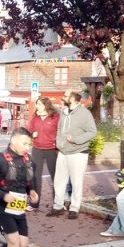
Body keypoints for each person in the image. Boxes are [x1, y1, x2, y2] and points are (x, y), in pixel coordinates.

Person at [47, 91, 97, 219]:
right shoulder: (64, 112)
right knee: (59, 181)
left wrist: (76, 140)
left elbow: (92, 132)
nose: (63, 97)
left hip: (78, 152)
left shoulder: (85, 113)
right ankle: (58, 206)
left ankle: (74, 208)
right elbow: (59, 129)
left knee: (76, 182)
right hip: (63, 151)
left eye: (66, 96)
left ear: (74, 99)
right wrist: (59, 142)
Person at [28, 97, 60, 210]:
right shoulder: (35, 117)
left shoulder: (55, 117)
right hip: (37, 149)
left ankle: (57, 203)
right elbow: (30, 129)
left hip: (51, 149)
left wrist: (56, 142)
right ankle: (34, 203)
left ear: (46, 105)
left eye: (40, 104)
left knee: (55, 176)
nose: (37, 106)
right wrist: (32, 134)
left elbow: (60, 131)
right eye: (37, 104)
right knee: (36, 177)